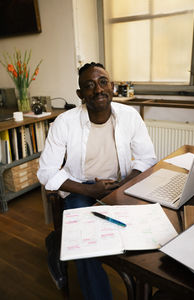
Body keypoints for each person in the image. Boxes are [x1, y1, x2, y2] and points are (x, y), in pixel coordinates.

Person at [37, 62, 157, 300]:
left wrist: (125, 184)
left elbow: (147, 158)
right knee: (85, 246)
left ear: (112, 86)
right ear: (80, 94)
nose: (98, 89)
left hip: (121, 184)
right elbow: (46, 171)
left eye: (103, 82)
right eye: (89, 85)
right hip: (80, 188)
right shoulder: (64, 122)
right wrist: (88, 190)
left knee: (150, 232)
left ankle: (142, 287)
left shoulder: (129, 116)